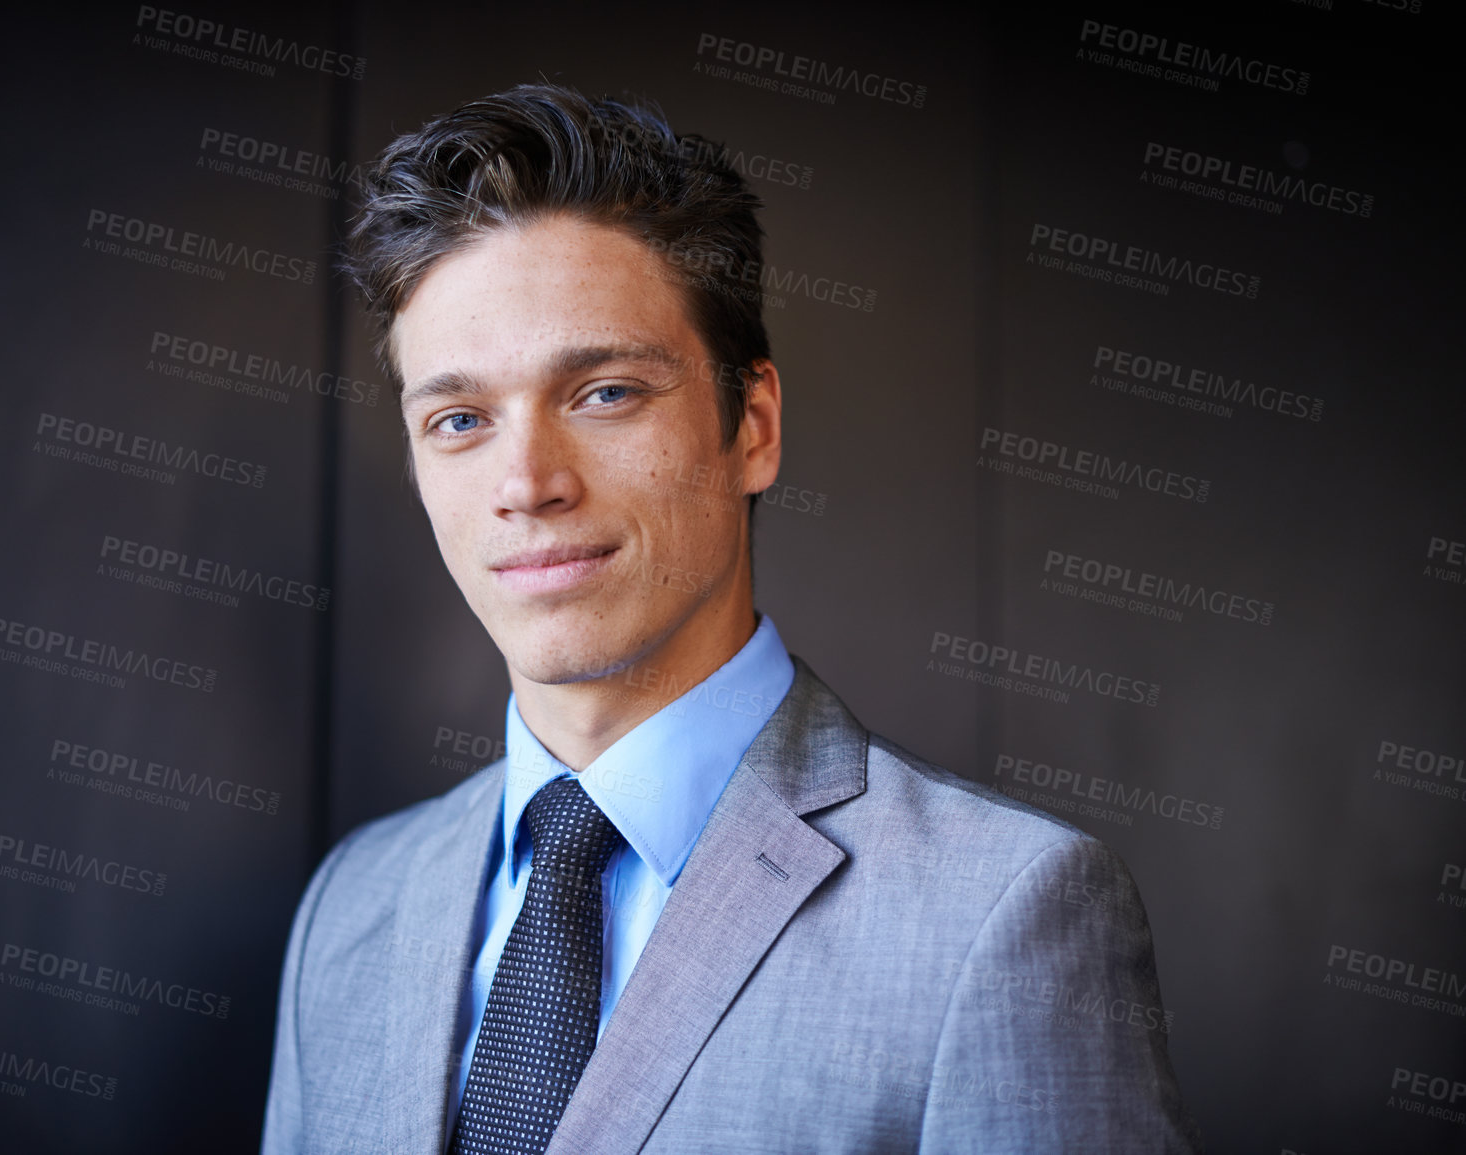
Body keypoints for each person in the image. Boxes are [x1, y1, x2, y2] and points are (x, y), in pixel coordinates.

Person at [261, 83, 1199, 1154]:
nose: (526, 481)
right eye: (460, 418)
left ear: (751, 427)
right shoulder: (353, 906)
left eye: (605, 392)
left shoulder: (1006, 918)